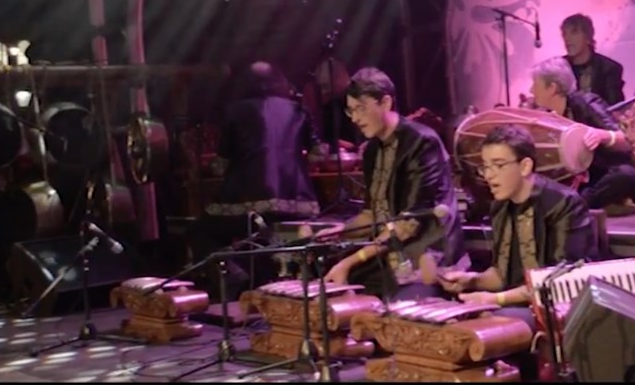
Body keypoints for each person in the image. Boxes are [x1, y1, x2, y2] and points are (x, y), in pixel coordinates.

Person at [439, 124, 592, 381]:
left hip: (557, 310)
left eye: (498, 165)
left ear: (524, 167)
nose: (489, 175)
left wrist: (494, 300)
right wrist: (472, 280)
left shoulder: (564, 204)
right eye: (485, 166)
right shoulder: (500, 208)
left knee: (482, 325)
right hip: (516, 303)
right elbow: (500, 275)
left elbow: (560, 279)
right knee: (449, 326)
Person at [320, 67, 468, 300]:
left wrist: (351, 261)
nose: (356, 119)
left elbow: (408, 223)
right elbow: (371, 213)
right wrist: (345, 231)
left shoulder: (421, 142)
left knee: (399, 309)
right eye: (351, 111)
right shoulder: (371, 151)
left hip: (425, 253)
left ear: (386, 102)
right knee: (324, 280)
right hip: (389, 253)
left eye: (361, 108)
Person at [193, 61, 320, 300]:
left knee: (202, 230)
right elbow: (317, 154)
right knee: (270, 231)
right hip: (298, 204)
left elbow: (221, 164)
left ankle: (234, 275)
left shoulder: (235, 111)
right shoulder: (299, 110)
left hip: (246, 202)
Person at [528, 57, 635, 217]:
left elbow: (627, 140)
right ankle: (589, 205)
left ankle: (575, 206)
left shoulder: (586, 103)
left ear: (552, 88)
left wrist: (602, 135)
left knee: (625, 176)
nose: (531, 91)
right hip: (584, 183)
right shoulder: (546, 117)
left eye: (535, 84)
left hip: (607, 176)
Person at [560, 13, 625, 106]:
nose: (567, 38)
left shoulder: (609, 69)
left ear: (588, 37)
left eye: (573, 32)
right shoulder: (559, 67)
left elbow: (615, 108)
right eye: (564, 34)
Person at [302, 57, 365, 151]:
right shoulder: (330, 107)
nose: (324, 92)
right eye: (321, 88)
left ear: (340, 78)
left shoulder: (360, 98)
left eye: (326, 86)